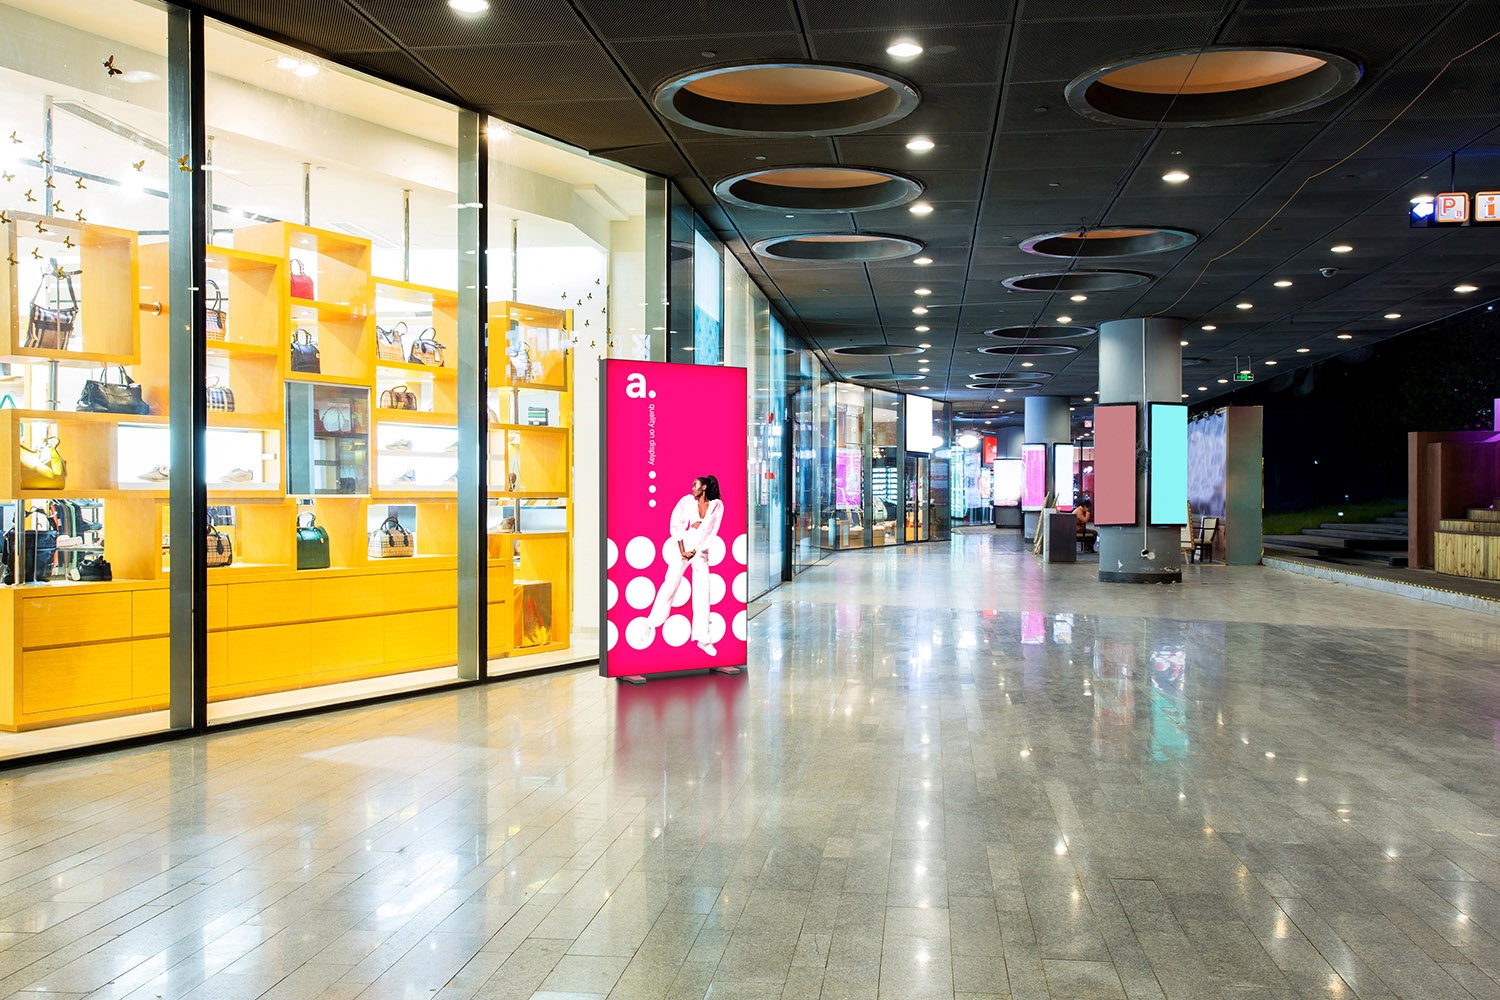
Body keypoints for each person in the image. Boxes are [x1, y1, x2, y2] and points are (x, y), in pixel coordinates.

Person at [646, 475, 724, 654]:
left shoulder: (717, 506)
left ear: (704, 487)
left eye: (695, 485)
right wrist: (683, 551)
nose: (692, 488)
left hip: (701, 551)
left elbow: (713, 531)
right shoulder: (687, 502)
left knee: (703, 594)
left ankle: (703, 640)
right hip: (684, 546)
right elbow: (676, 526)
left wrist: (698, 549)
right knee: (670, 585)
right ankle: (651, 622)